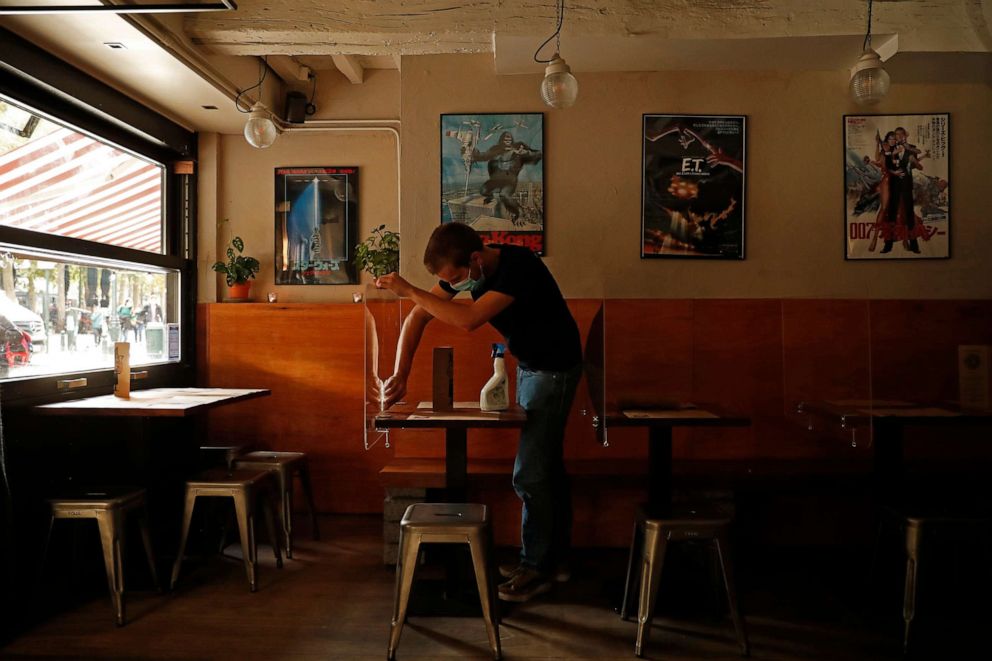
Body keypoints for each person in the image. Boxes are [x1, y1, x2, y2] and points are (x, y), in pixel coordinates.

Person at [376, 222, 582, 603]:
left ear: (474, 258)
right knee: (546, 469)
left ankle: (536, 567)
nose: (455, 285)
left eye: (455, 279)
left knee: (531, 474)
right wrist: (400, 374)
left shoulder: (519, 267)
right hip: (532, 367)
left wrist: (408, 289)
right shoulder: (471, 271)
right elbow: (417, 317)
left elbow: (469, 320)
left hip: (556, 370)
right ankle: (555, 561)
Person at [470, 131, 543, 224]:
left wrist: (526, 152)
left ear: (512, 140)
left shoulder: (518, 149)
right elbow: (483, 156)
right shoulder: (495, 150)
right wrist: (472, 151)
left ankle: (519, 212)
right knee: (483, 190)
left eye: (509, 138)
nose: (508, 139)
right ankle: (490, 196)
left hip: (509, 180)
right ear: (501, 140)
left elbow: (536, 154)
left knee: (504, 195)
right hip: (496, 179)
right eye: (505, 138)